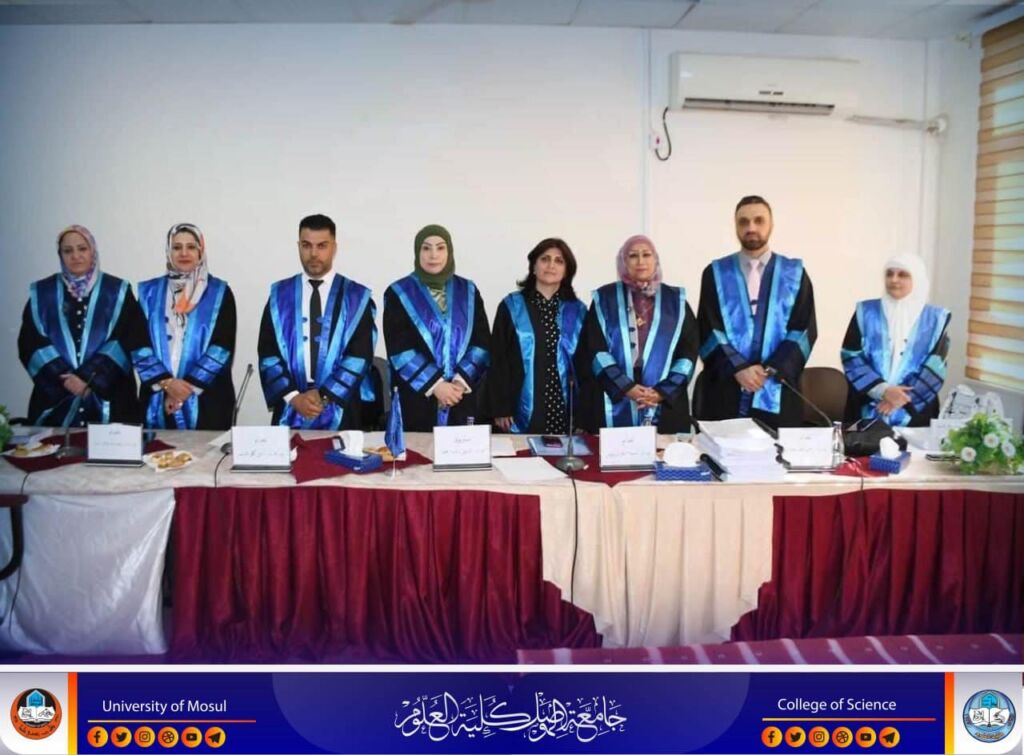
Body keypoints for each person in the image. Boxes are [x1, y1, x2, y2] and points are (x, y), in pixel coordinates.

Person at [697, 196, 816, 429]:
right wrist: (738, 368)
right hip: (727, 388)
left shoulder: (794, 273)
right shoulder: (715, 273)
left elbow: (803, 329)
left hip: (777, 388)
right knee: (726, 448)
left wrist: (770, 370)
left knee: (777, 450)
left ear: (771, 225)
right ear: (735, 226)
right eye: (743, 222)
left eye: (759, 220)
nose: (751, 227)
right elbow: (709, 329)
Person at [18, 225, 150, 426]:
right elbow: (30, 343)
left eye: (82, 248)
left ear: (93, 251)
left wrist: (89, 379)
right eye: (67, 251)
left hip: (111, 399)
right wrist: (65, 379)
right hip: (57, 397)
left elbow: (128, 338)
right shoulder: (43, 293)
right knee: (54, 446)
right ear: (60, 255)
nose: (76, 256)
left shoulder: (117, 291)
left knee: (109, 446)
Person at [257, 214, 376, 429]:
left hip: (342, 408)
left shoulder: (355, 297)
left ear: (334, 248)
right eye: (306, 245)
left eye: (322, 246)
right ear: (298, 246)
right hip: (290, 406)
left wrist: (324, 395)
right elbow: (268, 352)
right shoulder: (280, 296)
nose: (313, 254)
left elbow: (360, 355)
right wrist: (293, 397)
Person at [578, 234, 699, 433]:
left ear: (656, 260)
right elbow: (595, 349)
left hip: (664, 398)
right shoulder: (605, 299)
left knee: (664, 451)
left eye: (646, 254)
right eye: (633, 255)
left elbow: (688, 352)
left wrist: (663, 391)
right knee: (614, 452)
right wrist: (626, 387)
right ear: (623, 262)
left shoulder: (675, 301)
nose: (641, 261)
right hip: (613, 392)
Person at [383, 224, 490, 431]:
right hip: (418, 398)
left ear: (449, 251)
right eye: (426, 248)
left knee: (460, 449)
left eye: (440, 248)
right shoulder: (399, 292)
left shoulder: (468, 291)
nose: (433, 255)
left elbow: (482, 341)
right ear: (417, 252)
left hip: (461, 396)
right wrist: (437, 386)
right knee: (418, 450)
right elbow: (400, 349)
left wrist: (459, 384)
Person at [134, 223, 237, 430]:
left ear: (200, 251)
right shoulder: (149, 293)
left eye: (191, 247)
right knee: (159, 449)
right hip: (158, 397)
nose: (183, 253)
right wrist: (167, 384)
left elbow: (222, 347)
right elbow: (137, 342)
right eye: (177, 247)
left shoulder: (219, 292)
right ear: (168, 251)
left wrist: (184, 389)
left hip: (208, 400)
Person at [489, 238, 587, 434]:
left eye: (559, 261)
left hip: (564, 406)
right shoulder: (512, 306)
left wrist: (585, 416)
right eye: (545, 259)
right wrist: (501, 407)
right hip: (518, 406)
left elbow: (585, 365)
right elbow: (498, 358)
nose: (551, 265)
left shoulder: (578, 311)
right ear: (534, 266)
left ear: (567, 270)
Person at [841, 254, 950, 426]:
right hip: (867, 402)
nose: (894, 279)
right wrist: (883, 391)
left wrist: (899, 399)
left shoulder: (936, 318)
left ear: (917, 279)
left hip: (915, 409)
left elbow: (936, 365)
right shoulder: (866, 311)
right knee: (862, 443)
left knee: (914, 445)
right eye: (889, 273)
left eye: (903, 275)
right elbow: (851, 355)